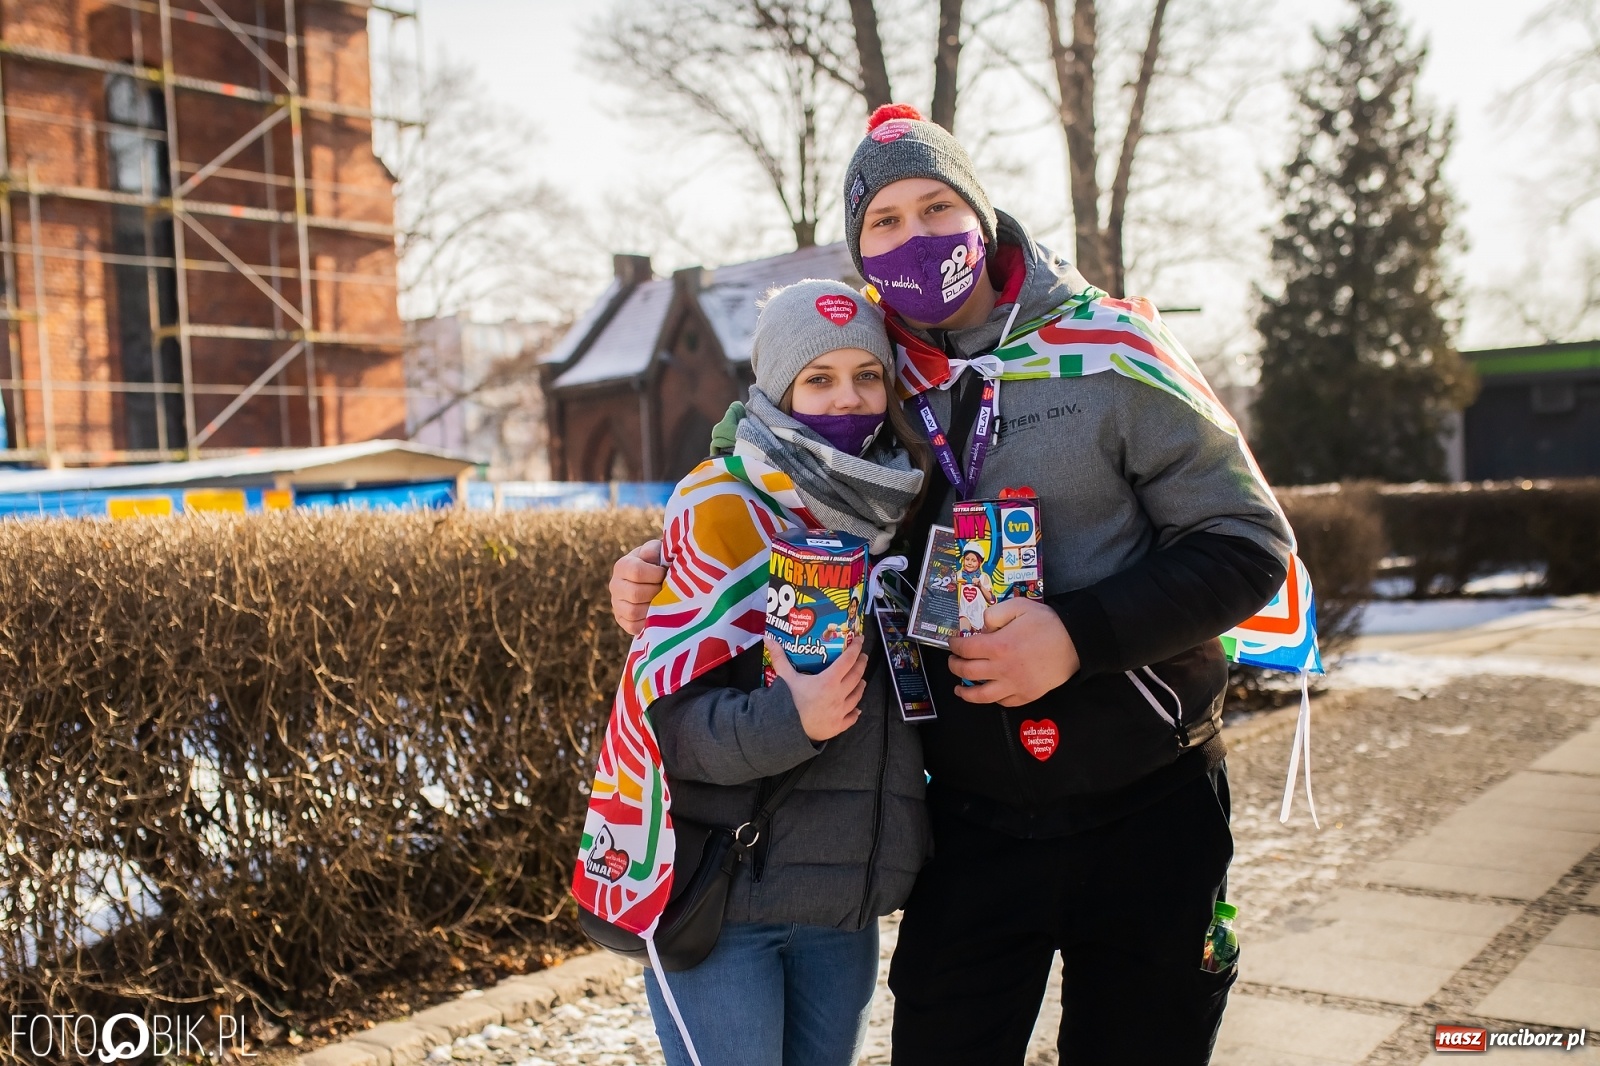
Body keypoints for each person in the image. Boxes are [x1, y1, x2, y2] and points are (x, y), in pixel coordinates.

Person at [611, 105, 1293, 1065]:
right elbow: (759, 476)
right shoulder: (871, 371)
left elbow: (1249, 542)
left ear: (981, 213)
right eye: (883, 221)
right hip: (967, 826)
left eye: (936, 206)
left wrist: (1076, 635)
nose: (915, 236)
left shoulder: (1112, 349)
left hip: (1150, 801)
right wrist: (660, 562)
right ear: (858, 245)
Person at [627, 279, 934, 1066]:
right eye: (819, 378)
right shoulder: (721, 508)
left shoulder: (909, 510)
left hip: (845, 913)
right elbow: (667, 726)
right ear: (775, 387)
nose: (848, 398)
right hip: (728, 903)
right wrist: (789, 722)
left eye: (867, 375)